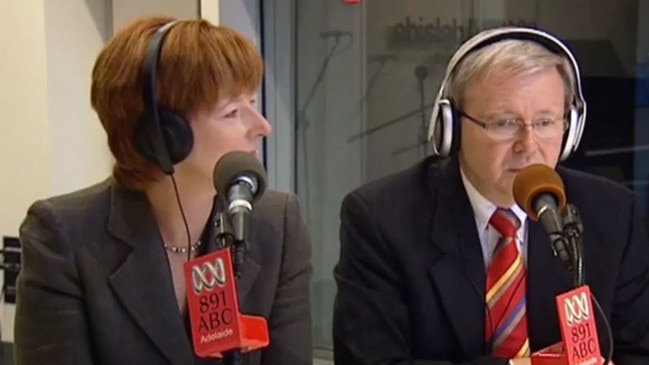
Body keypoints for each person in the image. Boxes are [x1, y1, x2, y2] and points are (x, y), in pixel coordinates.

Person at [332, 26, 649, 365]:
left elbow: (638, 352)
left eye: (544, 122)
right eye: (504, 123)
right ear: (451, 128)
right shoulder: (382, 218)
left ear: (570, 127)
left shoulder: (612, 214)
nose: (528, 146)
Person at [13, 16, 313, 365]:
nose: (262, 126)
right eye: (232, 112)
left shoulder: (277, 225)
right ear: (164, 135)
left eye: (252, 102)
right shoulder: (63, 237)